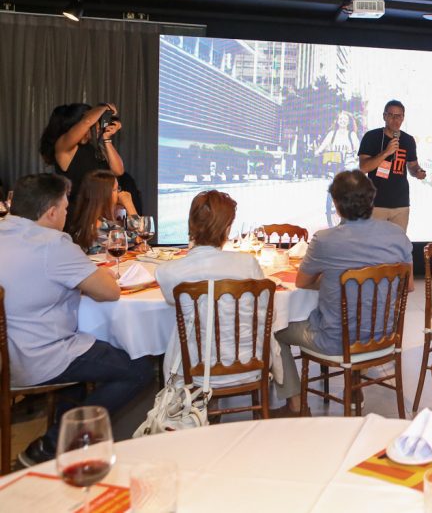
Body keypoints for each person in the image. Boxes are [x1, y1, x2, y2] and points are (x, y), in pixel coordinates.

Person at [0, 174, 150, 467]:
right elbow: (109, 292)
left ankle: (69, 446)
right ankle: (52, 444)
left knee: (85, 366)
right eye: (65, 209)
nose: (66, 215)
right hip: (39, 358)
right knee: (139, 369)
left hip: (6, 359)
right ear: (51, 212)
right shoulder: (52, 244)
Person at [273, 171, 412, 415]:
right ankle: (354, 389)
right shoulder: (397, 235)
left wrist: (333, 280)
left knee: (275, 330)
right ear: (372, 199)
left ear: (336, 205)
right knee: (359, 314)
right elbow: (407, 285)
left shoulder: (325, 240)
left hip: (335, 341)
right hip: (385, 337)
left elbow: (302, 282)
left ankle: (295, 404)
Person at [155, 190, 265, 386]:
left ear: (191, 224)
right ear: (227, 228)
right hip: (248, 366)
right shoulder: (248, 264)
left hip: (194, 370)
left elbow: (172, 302)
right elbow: (264, 312)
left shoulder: (167, 272)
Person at [357, 100, 427, 232]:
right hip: (376, 204)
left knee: (397, 242)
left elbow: (413, 165)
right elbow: (364, 168)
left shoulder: (408, 140)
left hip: (400, 204)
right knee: (374, 242)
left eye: (398, 116)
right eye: (391, 115)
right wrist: (386, 152)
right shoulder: (371, 137)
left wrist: (418, 171)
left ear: (403, 118)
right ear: (384, 116)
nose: (395, 119)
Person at [39, 103, 125, 203]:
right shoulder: (64, 146)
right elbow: (87, 121)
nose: (98, 126)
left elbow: (118, 171)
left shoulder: (94, 147)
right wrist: (105, 107)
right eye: (96, 122)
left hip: (99, 207)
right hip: (79, 209)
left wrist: (107, 138)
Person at [67, 170, 138, 254]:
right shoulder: (99, 225)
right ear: (103, 196)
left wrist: (136, 246)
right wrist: (129, 204)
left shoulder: (88, 222)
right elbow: (139, 236)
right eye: (115, 189)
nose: (119, 193)